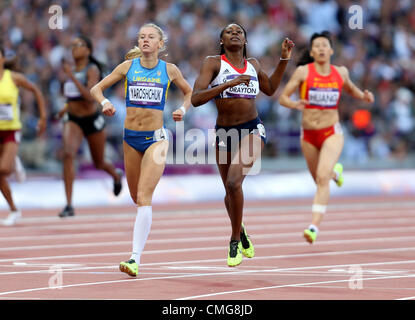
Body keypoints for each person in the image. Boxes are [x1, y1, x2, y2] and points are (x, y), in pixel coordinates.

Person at [90, 23, 192, 277]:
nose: (145, 40)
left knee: (144, 198)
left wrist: (182, 109)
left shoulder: (169, 70)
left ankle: (134, 258)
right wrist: (104, 103)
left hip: (157, 139)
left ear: (160, 44)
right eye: (142, 37)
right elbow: (96, 88)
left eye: (151, 37)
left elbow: (189, 93)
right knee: (136, 198)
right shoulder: (128, 67)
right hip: (130, 139)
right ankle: (141, 236)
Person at [191, 23, 294, 267]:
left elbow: (269, 89)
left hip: (251, 129)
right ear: (221, 41)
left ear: (246, 40)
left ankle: (235, 239)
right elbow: (195, 98)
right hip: (224, 133)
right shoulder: (213, 63)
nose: (235, 33)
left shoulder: (254, 64)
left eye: (239, 31)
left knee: (233, 182)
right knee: (229, 194)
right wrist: (227, 84)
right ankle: (241, 227)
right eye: (229, 31)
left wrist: (283, 60)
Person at [278, 31, 374, 244]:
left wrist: (364, 96)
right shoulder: (303, 72)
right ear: (312, 51)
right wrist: (295, 104)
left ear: (331, 50)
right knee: (319, 180)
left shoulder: (340, 72)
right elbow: (283, 98)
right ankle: (335, 172)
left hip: (331, 132)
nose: (321, 48)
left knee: (322, 178)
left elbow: (351, 89)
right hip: (308, 135)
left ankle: (313, 227)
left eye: (325, 45)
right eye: (317, 46)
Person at [58, 35, 123, 218]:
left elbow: (89, 96)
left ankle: (116, 175)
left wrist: (71, 76)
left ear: (88, 50)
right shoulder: (70, 69)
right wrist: (64, 109)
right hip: (73, 119)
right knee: (68, 154)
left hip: (92, 119)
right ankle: (69, 204)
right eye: (72, 45)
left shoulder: (91, 69)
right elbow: (71, 97)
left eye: (78, 45)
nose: (74, 48)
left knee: (99, 162)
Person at [0, 46, 47, 226]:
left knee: (3, 170)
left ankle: (13, 161)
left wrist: (42, 117)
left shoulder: (13, 78)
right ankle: (13, 209)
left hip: (11, 131)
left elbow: (36, 91)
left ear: (3, 59)